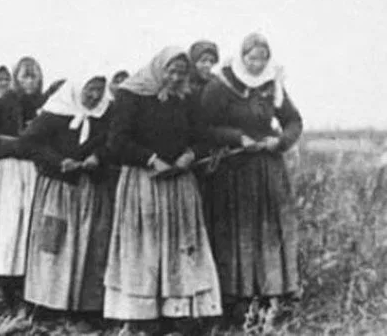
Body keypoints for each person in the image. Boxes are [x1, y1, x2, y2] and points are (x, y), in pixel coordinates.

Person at [103, 47, 222, 334]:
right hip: (143, 182)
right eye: (171, 71)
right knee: (145, 246)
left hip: (179, 183)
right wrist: (150, 158)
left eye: (181, 73)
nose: (176, 77)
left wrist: (190, 156)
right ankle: (142, 315)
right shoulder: (132, 95)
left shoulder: (187, 99)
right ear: (159, 68)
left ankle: (177, 311)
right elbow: (116, 142)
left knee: (179, 246)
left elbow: (203, 138)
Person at [199, 33, 303, 322]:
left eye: (262, 58)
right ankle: (236, 300)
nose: (257, 64)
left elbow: (294, 120)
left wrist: (280, 142)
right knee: (238, 232)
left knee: (268, 230)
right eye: (252, 58)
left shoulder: (272, 84)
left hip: (268, 170)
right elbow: (203, 127)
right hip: (234, 172)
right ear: (242, 57)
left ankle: (272, 295)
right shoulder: (221, 85)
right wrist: (236, 137)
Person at [21, 74, 115, 318]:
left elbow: (112, 142)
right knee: (53, 244)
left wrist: (98, 157)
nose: (94, 96)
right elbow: (30, 143)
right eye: (89, 90)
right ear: (77, 88)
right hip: (59, 188)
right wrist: (59, 161)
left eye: (99, 90)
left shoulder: (107, 114)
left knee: (90, 242)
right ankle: (46, 301)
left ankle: (84, 306)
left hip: (91, 189)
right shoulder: (55, 111)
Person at [0, 56, 46, 304]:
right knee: (5, 227)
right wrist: (12, 145)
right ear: (16, 78)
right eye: (25, 75)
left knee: (26, 225)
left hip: (32, 170)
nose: (29, 81)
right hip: (7, 171)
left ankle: (22, 283)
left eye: (34, 76)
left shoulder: (44, 104)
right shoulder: (4, 103)